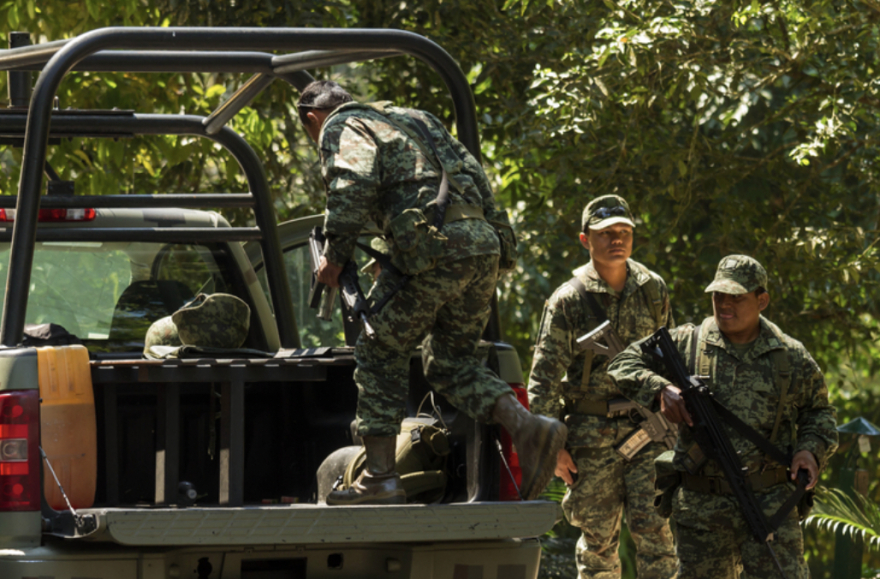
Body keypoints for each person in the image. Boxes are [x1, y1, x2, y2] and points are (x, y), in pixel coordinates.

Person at [298, 80, 567, 505]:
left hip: (435, 252)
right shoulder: (414, 119)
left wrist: (334, 256)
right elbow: (473, 177)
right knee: (449, 361)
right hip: (482, 247)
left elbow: (352, 183)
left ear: (312, 119)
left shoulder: (341, 125)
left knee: (379, 349)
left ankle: (381, 478)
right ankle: (529, 427)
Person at [607, 255, 838, 578]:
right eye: (718, 296)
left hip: (769, 505)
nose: (724, 305)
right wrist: (661, 390)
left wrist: (809, 450)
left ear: (762, 300)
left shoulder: (789, 355)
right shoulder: (689, 342)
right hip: (702, 510)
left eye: (737, 297)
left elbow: (820, 414)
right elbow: (621, 364)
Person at [527, 194, 677, 578]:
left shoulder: (652, 289)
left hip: (651, 433)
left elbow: (670, 360)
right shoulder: (568, 300)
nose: (617, 239)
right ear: (585, 240)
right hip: (590, 441)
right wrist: (553, 449)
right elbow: (542, 383)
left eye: (624, 231)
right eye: (606, 232)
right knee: (597, 547)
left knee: (659, 537)